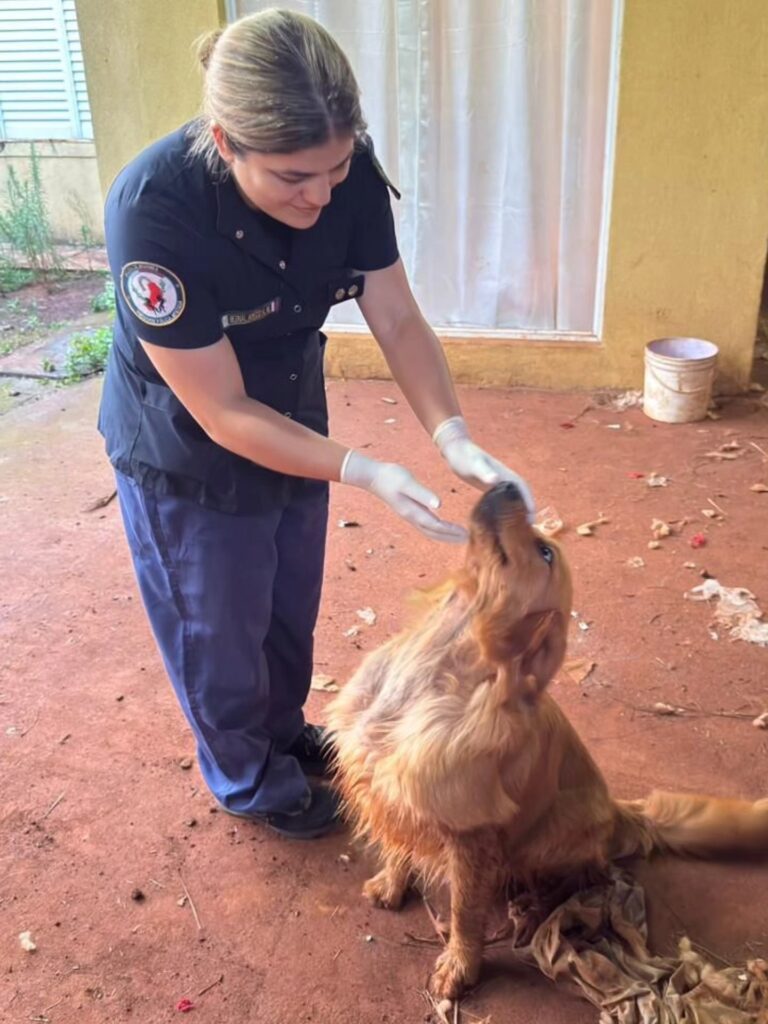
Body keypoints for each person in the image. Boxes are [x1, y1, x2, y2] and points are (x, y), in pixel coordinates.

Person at [98, 9, 535, 840]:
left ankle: (283, 730)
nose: (322, 193)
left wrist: (451, 434)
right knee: (217, 618)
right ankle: (246, 776)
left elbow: (398, 317)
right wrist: (363, 469)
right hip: (187, 441)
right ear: (227, 144)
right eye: (295, 176)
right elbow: (221, 410)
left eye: (335, 168)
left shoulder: (347, 172)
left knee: (287, 596)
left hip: (292, 405)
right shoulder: (155, 211)